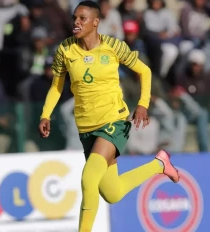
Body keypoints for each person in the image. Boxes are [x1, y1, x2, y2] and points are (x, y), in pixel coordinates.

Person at [37, 1, 180, 231]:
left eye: (83, 18)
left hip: (114, 122)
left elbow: (145, 71)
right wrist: (46, 115)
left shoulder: (113, 46)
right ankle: (159, 164)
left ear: (96, 22)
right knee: (112, 193)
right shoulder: (65, 50)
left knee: (89, 178)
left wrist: (142, 104)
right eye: (75, 18)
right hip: (86, 129)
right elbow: (56, 87)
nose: (76, 22)